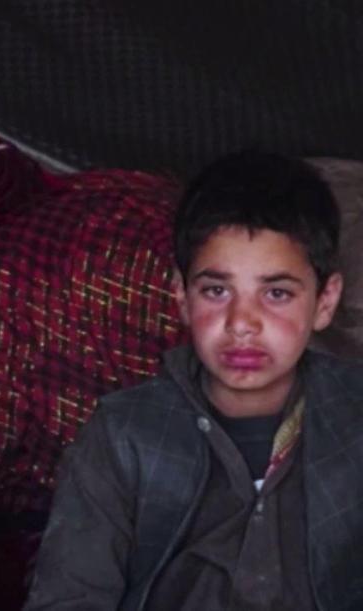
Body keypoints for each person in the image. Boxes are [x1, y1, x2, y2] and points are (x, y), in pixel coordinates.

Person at [23, 150, 362, 610]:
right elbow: (69, 598)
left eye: (277, 293)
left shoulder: (354, 419)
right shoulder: (125, 436)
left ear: (325, 301)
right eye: (216, 291)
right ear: (181, 296)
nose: (242, 323)